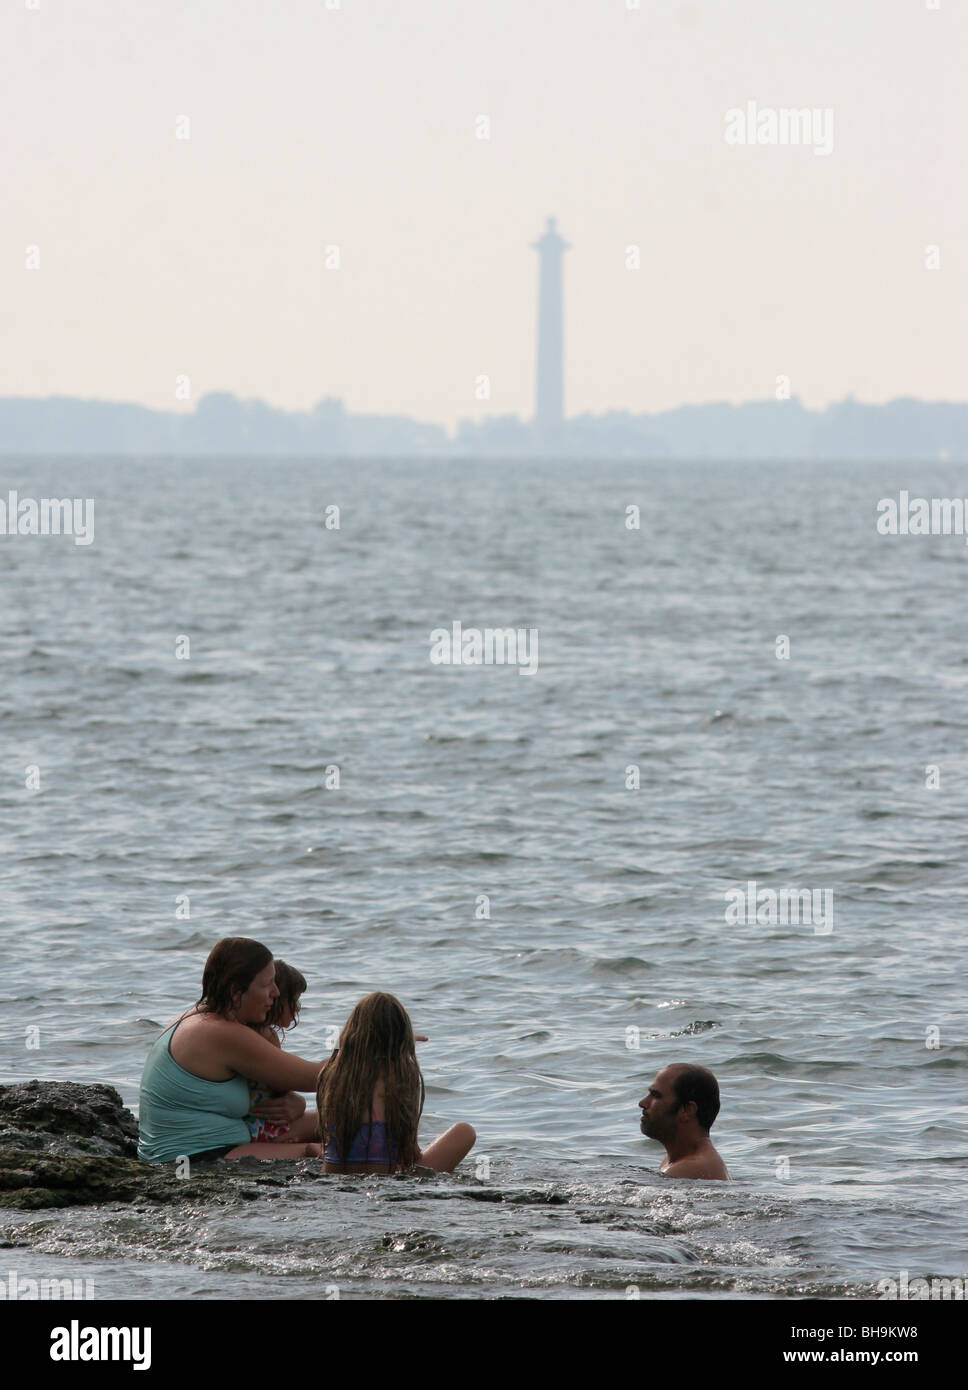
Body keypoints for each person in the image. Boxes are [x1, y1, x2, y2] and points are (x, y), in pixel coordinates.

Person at [138, 938, 326, 1163]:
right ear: (237, 991)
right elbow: (318, 1077)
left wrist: (297, 1102)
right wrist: (369, 1048)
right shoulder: (220, 1033)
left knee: (344, 1121)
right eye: (267, 984)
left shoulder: (196, 1017)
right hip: (196, 1158)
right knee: (324, 1151)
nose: (276, 993)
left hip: (207, 1146)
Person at [318, 992, 475, 1174]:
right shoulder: (400, 1076)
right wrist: (401, 1043)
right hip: (383, 1178)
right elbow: (409, 1152)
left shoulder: (332, 1074)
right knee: (464, 1132)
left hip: (333, 1175)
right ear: (402, 1037)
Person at [243, 960, 320, 1145]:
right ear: (278, 999)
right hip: (264, 1129)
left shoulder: (247, 1031)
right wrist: (299, 1103)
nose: (298, 1007)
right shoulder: (266, 1035)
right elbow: (284, 1085)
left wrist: (299, 1103)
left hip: (252, 1125)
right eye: (295, 999)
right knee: (335, 1119)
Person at [638, 1063, 730, 1180]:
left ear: (687, 1110)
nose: (642, 1103)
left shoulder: (690, 1168)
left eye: (656, 1095)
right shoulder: (675, 1162)